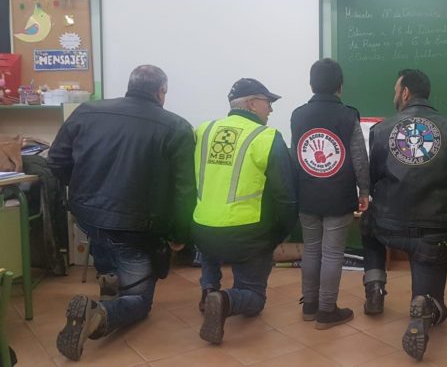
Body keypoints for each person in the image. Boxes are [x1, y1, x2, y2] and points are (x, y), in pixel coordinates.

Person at [48, 65, 196, 361]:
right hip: (136, 227)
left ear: (130, 86)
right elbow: (184, 190)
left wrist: (78, 190)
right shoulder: (177, 126)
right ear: (161, 92)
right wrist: (180, 235)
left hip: (88, 215)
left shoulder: (87, 111)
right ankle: (99, 311)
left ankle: (108, 280)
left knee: (103, 244)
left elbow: (56, 160)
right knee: (139, 301)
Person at [362, 69, 447, 361]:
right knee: (434, 304)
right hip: (433, 232)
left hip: (387, 226)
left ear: (404, 93)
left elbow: (372, 179)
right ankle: (425, 306)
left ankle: (375, 287)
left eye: (395, 89)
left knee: (367, 225)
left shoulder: (381, 130)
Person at [193, 78, 298, 344]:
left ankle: (208, 289)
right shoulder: (267, 137)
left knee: (210, 234)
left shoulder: (203, 130)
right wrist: (280, 234)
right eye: (268, 103)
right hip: (247, 235)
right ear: (252, 103)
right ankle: (225, 299)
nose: (270, 110)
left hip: (202, 230)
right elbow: (285, 195)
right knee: (254, 297)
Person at [290, 58, 370, 329]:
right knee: (333, 253)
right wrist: (365, 190)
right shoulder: (348, 115)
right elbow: (359, 157)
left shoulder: (298, 114)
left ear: (311, 84)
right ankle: (326, 311)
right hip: (338, 195)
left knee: (311, 250)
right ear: (340, 86)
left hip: (307, 193)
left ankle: (310, 306)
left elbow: (298, 155)